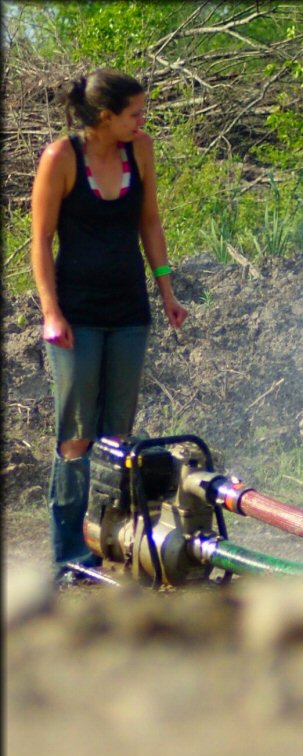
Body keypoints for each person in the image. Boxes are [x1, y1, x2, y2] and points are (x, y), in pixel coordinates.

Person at [30, 69, 188, 584]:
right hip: (76, 314)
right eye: (135, 113)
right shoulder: (61, 157)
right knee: (76, 436)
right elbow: (41, 241)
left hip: (129, 310)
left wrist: (167, 291)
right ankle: (70, 555)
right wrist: (51, 312)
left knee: (116, 437)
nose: (143, 121)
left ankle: (111, 544)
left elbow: (150, 222)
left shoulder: (139, 150)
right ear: (105, 117)